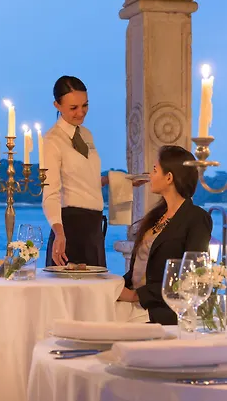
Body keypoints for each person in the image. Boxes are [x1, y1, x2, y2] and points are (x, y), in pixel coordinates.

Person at [117, 145, 213, 325]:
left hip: (162, 309)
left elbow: (192, 276)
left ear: (169, 177)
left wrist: (136, 296)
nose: (150, 175)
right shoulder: (157, 216)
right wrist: (113, 285)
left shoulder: (196, 218)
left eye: (155, 170)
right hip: (135, 304)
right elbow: (139, 269)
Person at [42, 75, 108, 267]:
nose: (81, 112)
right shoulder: (52, 141)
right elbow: (50, 193)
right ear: (57, 105)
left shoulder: (86, 135)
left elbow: (85, 180)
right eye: (73, 108)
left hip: (94, 228)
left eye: (85, 105)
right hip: (69, 229)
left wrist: (118, 180)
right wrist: (59, 233)